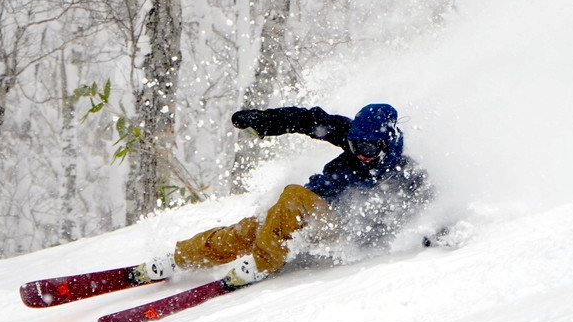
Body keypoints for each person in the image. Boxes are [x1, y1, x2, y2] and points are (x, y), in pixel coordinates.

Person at [134, 103, 432, 289]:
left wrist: (435, 232)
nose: (360, 155)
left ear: (386, 144)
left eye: (368, 150)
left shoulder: (407, 174)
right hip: (304, 216)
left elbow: (433, 209)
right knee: (249, 230)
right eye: (355, 146)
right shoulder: (349, 136)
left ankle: (263, 263)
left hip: (341, 230)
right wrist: (267, 121)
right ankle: (180, 258)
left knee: (292, 196)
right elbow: (307, 120)